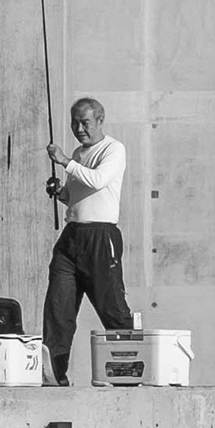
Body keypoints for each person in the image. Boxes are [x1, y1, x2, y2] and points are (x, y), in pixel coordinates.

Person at [41, 95, 134, 385]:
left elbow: (97, 180)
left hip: (100, 236)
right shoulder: (78, 154)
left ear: (100, 121)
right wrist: (60, 193)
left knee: (112, 306)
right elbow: (76, 195)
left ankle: (128, 368)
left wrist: (65, 162)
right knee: (59, 306)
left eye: (85, 122)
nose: (79, 129)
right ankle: (55, 373)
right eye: (74, 123)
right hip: (72, 237)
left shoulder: (114, 149)